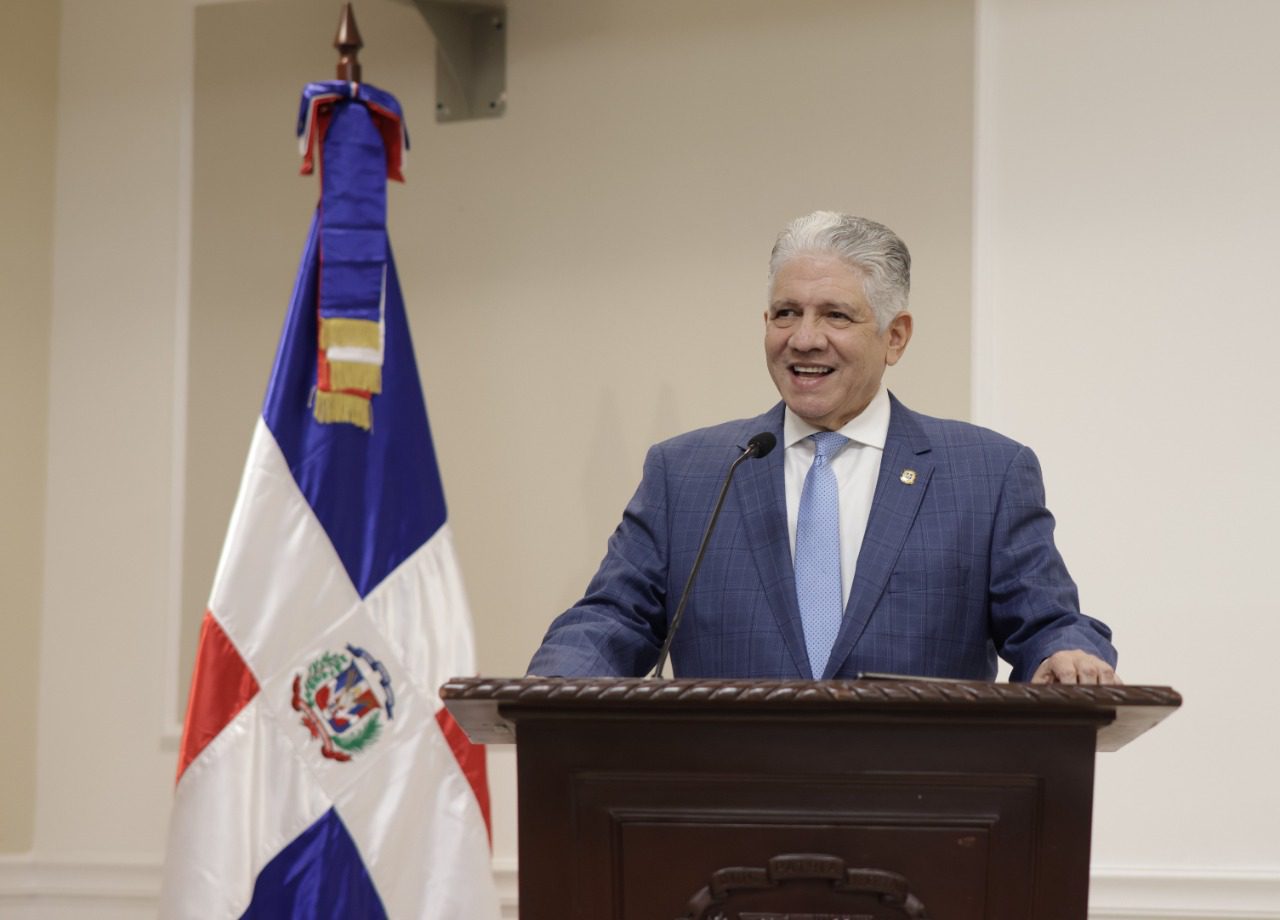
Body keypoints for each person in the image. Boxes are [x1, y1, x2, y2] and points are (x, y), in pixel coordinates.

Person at [528, 212, 1119, 684]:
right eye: (787, 313)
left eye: (835, 315)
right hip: (725, 808)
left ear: (896, 337)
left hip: (921, 810)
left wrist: (1064, 654)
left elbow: (1048, 621)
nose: (804, 339)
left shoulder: (986, 473)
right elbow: (614, 618)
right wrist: (556, 679)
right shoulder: (688, 472)